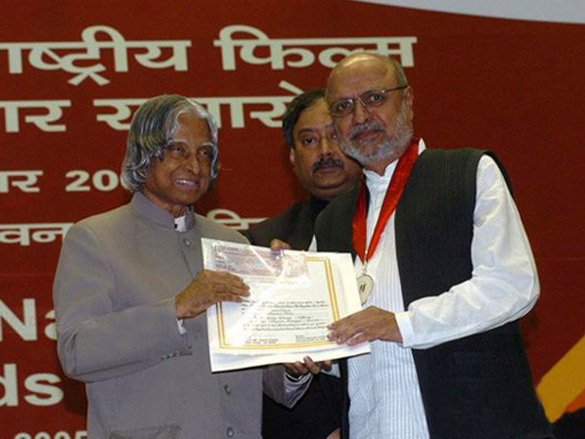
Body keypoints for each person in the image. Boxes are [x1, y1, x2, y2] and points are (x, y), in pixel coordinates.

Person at [313, 53, 553, 438]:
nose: (359, 117)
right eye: (343, 107)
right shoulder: (330, 222)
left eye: (374, 98)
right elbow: (328, 339)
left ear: (407, 101)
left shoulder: (468, 173)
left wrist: (401, 324)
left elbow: (512, 285)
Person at [53, 94, 296, 439]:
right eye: (178, 150)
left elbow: (254, 365)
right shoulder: (94, 237)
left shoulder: (234, 245)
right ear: (144, 154)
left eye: (205, 153)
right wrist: (177, 309)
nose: (195, 167)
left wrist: (293, 363)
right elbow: (77, 351)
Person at [244, 89, 361, 439]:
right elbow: (257, 369)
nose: (325, 151)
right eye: (309, 140)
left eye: (336, 136)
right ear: (292, 158)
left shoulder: (405, 226)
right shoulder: (264, 243)